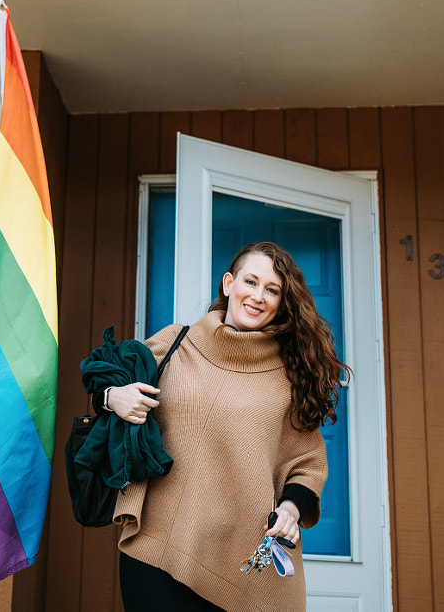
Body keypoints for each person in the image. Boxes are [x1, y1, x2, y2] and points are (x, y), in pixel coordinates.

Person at [99, 241, 348, 611]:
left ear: (282, 302)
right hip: (154, 545)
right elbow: (111, 382)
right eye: (251, 281)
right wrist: (111, 396)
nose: (258, 296)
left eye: (272, 290)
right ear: (228, 283)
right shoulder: (175, 343)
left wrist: (292, 512)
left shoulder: (289, 377)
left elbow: (308, 462)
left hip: (239, 559)